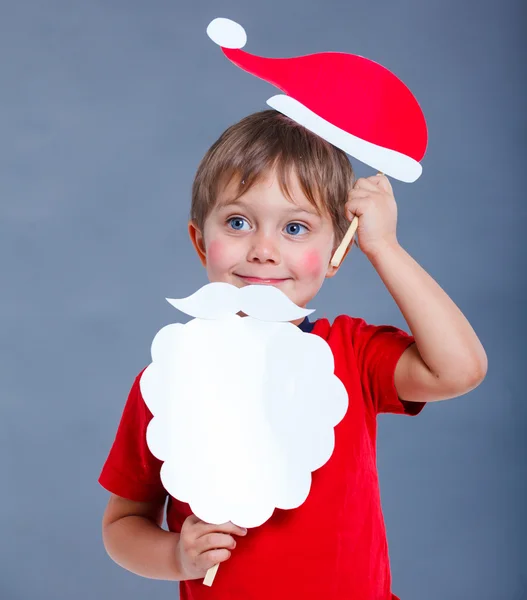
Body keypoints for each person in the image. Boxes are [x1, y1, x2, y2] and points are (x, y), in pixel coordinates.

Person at [98, 110, 487, 600]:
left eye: (296, 228)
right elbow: (122, 524)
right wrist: (175, 555)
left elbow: (460, 369)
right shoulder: (169, 379)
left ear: (336, 251)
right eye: (238, 222)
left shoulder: (351, 353)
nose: (263, 249)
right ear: (201, 243)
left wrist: (384, 246)